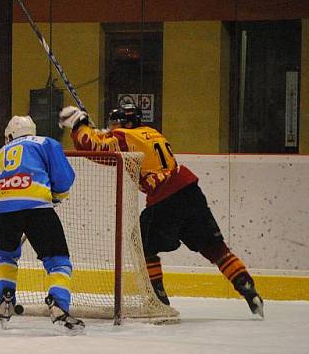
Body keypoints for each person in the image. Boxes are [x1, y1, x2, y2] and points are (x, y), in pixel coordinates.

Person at [59, 103, 264, 317]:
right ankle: (247, 288)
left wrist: (79, 124)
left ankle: (158, 298)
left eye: (116, 123)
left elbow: (94, 147)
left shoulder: (123, 136)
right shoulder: (152, 132)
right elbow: (118, 145)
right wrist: (104, 134)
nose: (113, 126)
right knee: (215, 248)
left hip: (165, 198)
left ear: (126, 123)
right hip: (190, 192)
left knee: (143, 244)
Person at [0, 115, 85, 334]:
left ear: (9, 135)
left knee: (6, 255)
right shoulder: (45, 143)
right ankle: (59, 306)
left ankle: (5, 299)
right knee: (58, 261)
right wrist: (56, 195)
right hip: (36, 207)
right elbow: (63, 178)